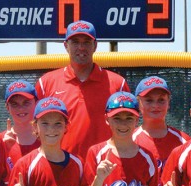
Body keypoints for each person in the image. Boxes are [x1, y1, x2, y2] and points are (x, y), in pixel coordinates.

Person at [36, 20, 130, 157]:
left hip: (106, 166)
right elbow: (34, 128)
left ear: (95, 45)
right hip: (61, 167)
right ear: (66, 45)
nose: (81, 47)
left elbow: (129, 126)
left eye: (86, 42)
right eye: (75, 42)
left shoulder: (117, 83)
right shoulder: (46, 83)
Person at [84, 92, 159, 186]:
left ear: (137, 120)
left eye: (129, 118)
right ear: (107, 119)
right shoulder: (96, 152)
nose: (123, 124)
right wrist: (99, 179)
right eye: (117, 118)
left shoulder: (147, 156)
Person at [3, 97, 87, 186]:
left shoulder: (78, 163)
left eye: (58, 123)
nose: (51, 129)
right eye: (45, 123)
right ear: (35, 126)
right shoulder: (25, 164)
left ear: (66, 126)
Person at [133, 75, 190, 186]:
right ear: (138, 103)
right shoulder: (130, 139)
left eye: (161, 100)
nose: (155, 105)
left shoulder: (183, 140)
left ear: (168, 103)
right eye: (149, 100)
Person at [0, 80, 40, 171]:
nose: (21, 108)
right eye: (14, 104)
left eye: (26, 103)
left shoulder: (47, 138)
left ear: (36, 103)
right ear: (7, 107)